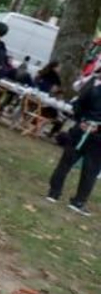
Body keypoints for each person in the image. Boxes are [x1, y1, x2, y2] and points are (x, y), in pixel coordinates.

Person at [46, 75, 101, 216]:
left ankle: (54, 192)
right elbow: (78, 105)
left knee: (68, 163)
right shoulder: (93, 90)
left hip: (88, 132)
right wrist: (84, 121)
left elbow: (77, 105)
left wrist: (82, 120)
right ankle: (76, 201)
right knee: (89, 170)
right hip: (91, 135)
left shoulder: (93, 89)